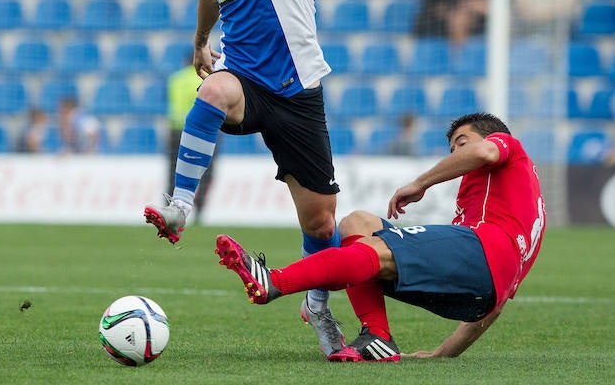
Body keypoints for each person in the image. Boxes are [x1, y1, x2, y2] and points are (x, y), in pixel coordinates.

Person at [137, 0, 344, 357]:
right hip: (246, 84)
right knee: (214, 91)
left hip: (298, 93)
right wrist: (200, 39)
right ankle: (181, 205)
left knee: (320, 222)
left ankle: (317, 303)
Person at [216, 112, 546, 362]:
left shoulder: (508, 147)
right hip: (474, 294)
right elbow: (496, 303)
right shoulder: (522, 208)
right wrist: (442, 354)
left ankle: (275, 282)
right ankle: (378, 336)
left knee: (376, 247)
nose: (456, 152)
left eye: (461, 143)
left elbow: (485, 153)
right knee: (358, 223)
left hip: (480, 255)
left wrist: (422, 182)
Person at [166, 61, 218, 222]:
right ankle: (199, 209)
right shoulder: (206, 78)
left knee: (174, 170)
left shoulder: (176, 78)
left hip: (176, 128)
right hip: (201, 130)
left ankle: (169, 207)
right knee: (205, 171)